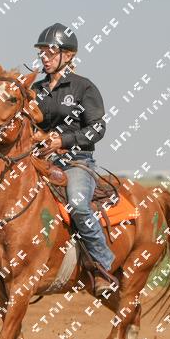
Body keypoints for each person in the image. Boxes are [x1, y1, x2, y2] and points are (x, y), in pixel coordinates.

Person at [30, 22, 117, 297]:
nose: (44, 57)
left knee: (78, 205)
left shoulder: (84, 88)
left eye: (50, 52)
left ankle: (103, 266)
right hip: (41, 161)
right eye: (41, 52)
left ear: (68, 55)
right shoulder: (36, 89)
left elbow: (97, 128)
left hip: (77, 161)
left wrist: (62, 141)